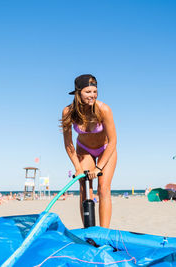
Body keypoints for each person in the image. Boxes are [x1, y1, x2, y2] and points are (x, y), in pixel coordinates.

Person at [61, 74, 117, 228]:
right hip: (84, 150)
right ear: (78, 93)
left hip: (106, 149)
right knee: (85, 187)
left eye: (95, 91)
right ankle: (89, 230)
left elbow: (113, 142)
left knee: (103, 188)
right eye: (88, 92)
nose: (92, 95)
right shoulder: (68, 112)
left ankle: (104, 232)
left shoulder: (104, 109)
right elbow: (68, 143)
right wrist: (78, 168)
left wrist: (99, 167)